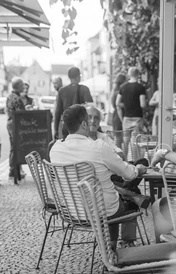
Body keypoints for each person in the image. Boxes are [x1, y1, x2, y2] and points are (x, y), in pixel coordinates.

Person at [50, 104, 148, 248]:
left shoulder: (55, 149)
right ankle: (113, 249)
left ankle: (110, 248)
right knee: (126, 205)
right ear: (84, 124)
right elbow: (129, 174)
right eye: (88, 119)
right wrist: (139, 170)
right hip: (103, 212)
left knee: (109, 197)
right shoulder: (99, 147)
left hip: (72, 211)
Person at [54, 67, 93, 140]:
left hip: (67, 126)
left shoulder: (62, 91)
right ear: (78, 77)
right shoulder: (85, 89)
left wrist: (55, 130)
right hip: (82, 127)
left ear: (69, 77)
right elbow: (91, 109)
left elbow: (57, 112)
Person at [116, 67, 146, 161]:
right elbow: (143, 104)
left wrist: (127, 105)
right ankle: (136, 162)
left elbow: (117, 103)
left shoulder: (123, 87)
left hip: (126, 117)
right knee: (135, 141)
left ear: (129, 74)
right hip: (137, 117)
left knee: (125, 142)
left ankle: (123, 162)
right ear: (138, 75)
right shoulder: (140, 87)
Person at [6, 77, 25, 182]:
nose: (24, 87)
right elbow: (21, 113)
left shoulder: (10, 96)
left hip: (10, 124)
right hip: (15, 126)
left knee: (13, 147)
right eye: (22, 85)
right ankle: (14, 171)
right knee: (15, 147)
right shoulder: (16, 98)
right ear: (18, 86)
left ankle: (12, 170)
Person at [110, 74, 127, 149]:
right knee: (124, 141)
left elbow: (114, 105)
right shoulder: (120, 92)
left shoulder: (114, 92)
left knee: (117, 140)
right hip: (121, 116)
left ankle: (118, 157)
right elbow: (119, 106)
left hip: (115, 116)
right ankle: (123, 158)